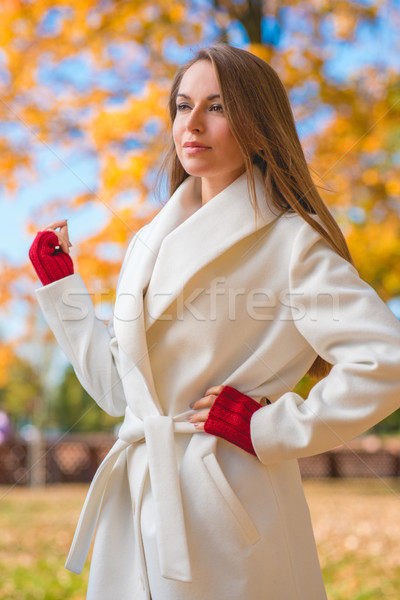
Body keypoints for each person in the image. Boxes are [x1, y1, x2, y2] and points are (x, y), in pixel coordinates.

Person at [29, 44, 400, 600]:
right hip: (136, 504)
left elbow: (385, 362)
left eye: (217, 107)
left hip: (227, 507)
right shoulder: (149, 241)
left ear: (257, 124)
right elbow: (117, 392)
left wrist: (265, 428)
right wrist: (63, 288)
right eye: (182, 106)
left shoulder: (291, 241)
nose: (192, 124)